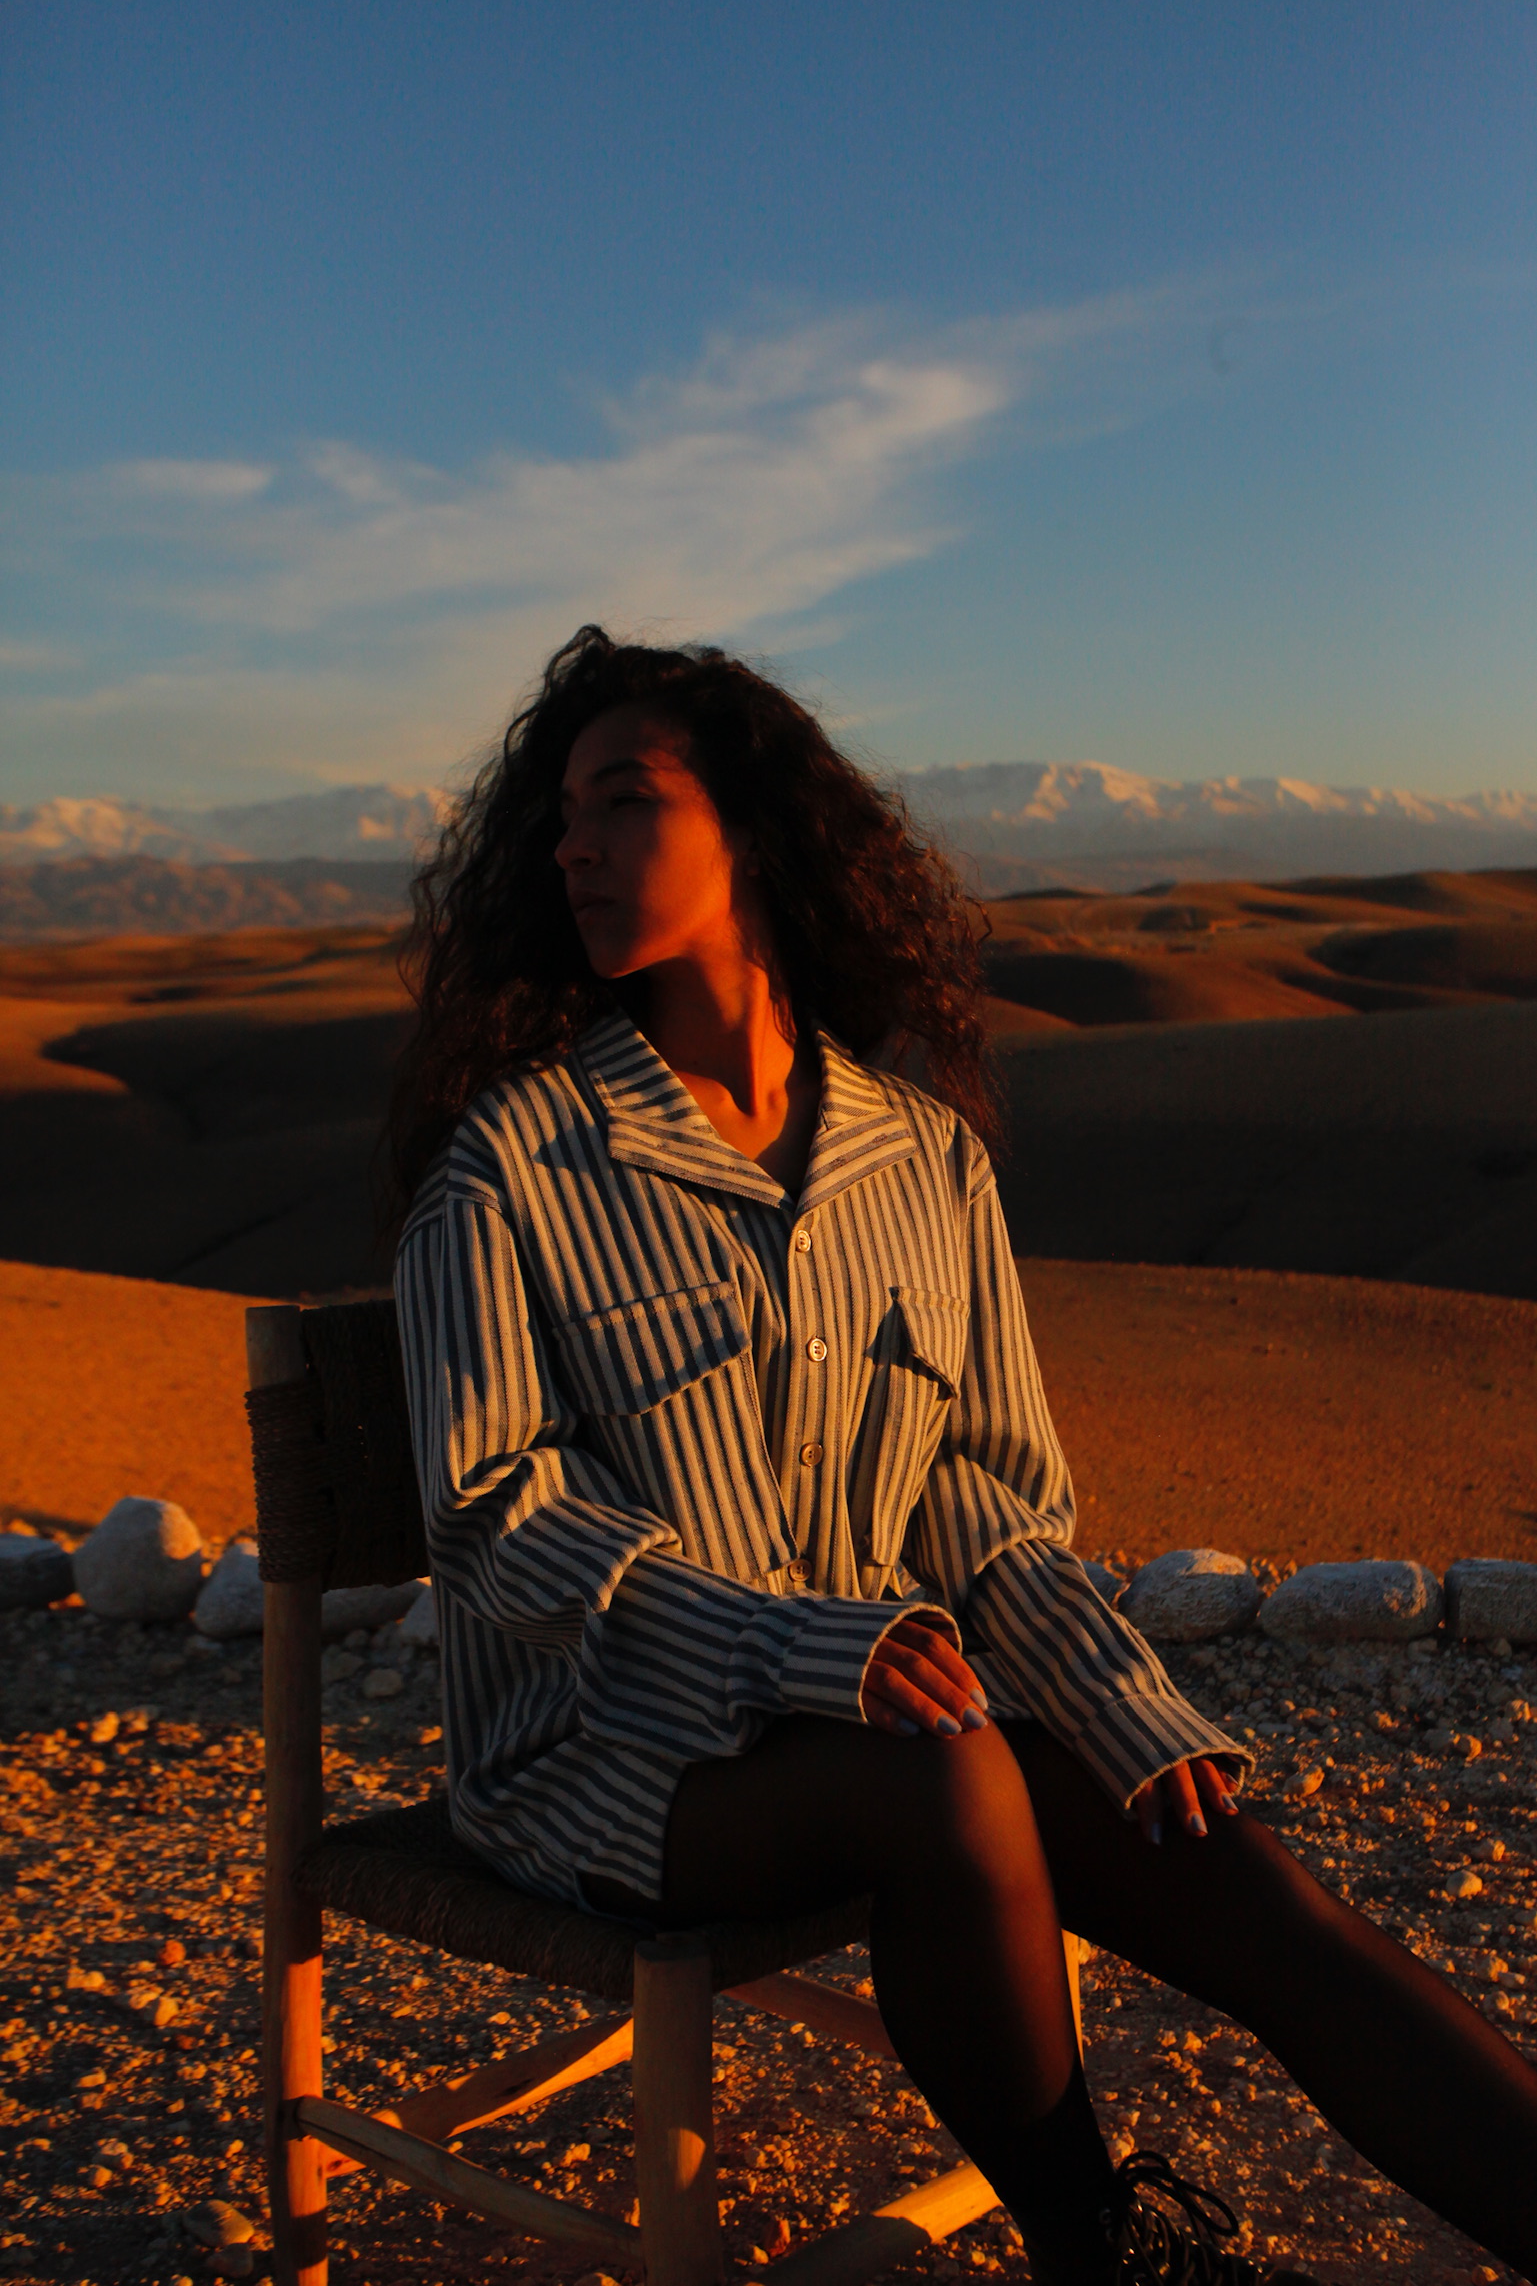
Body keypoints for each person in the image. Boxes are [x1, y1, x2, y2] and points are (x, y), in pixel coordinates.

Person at [387, 626, 1537, 2286]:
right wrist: (798, 1642)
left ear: (757, 835)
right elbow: (499, 1520)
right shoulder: (513, 1167)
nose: (568, 841)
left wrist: (1121, 1705)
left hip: (878, 1711)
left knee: (1231, 1867)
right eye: (560, 810)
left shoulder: (920, 1159)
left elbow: (987, 1508)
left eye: (622, 799)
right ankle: (1103, 2250)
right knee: (950, 1775)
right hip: (604, 1752)